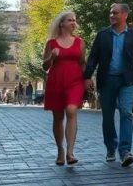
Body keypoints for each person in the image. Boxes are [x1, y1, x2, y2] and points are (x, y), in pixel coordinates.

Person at [83, 3, 133, 168]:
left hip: (127, 81)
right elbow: (93, 58)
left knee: (126, 113)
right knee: (108, 117)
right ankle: (111, 148)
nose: (112, 15)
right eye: (111, 13)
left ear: (125, 15)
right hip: (107, 80)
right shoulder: (102, 35)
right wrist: (87, 76)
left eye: (115, 13)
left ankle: (125, 151)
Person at [43, 10, 86, 166]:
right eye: (70, 20)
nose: (73, 22)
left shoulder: (79, 42)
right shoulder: (51, 43)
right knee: (58, 117)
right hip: (56, 81)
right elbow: (45, 66)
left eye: (74, 20)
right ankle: (60, 150)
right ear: (61, 23)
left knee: (71, 111)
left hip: (75, 81)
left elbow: (83, 62)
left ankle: (70, 152)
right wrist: (52, 57)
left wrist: (87, 79)